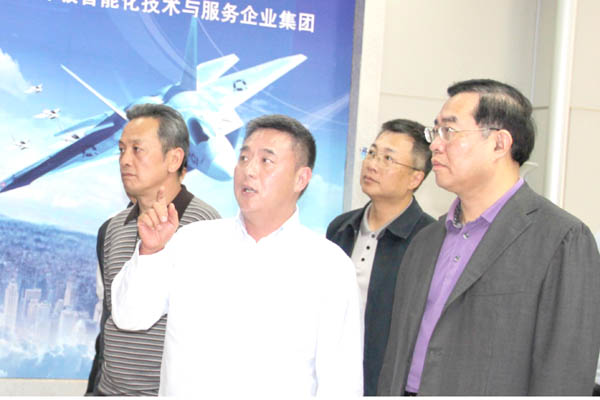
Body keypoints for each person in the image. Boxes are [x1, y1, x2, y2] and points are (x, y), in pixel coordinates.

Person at [110, 114, 363, 396]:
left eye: (266, 161)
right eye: (244, 157)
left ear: (301, 178)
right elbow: (129, 316)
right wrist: (150, 252)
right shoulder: (192, 242)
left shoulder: (328, 267)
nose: (249, 170)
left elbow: (341, 383)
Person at [378, 79, 600, 396]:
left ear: (499, 143)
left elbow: (564, 374)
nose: (435, 145)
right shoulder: (426, 240)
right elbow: (396, 357)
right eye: (434, 131)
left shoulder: (561, 239)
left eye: (449, 131)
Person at [86, 104, 220, 396]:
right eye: (121, 150)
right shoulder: (112, 229)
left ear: (174, 159)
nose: (125, 160)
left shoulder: (207, 227)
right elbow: (107, 320)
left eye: (137, 149)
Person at [326, 119, 434, 395]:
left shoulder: (431, 240)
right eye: (371, 153)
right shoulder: (340, 228)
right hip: (335, 381)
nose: (372, 164)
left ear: (415, 178)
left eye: (388, 159)